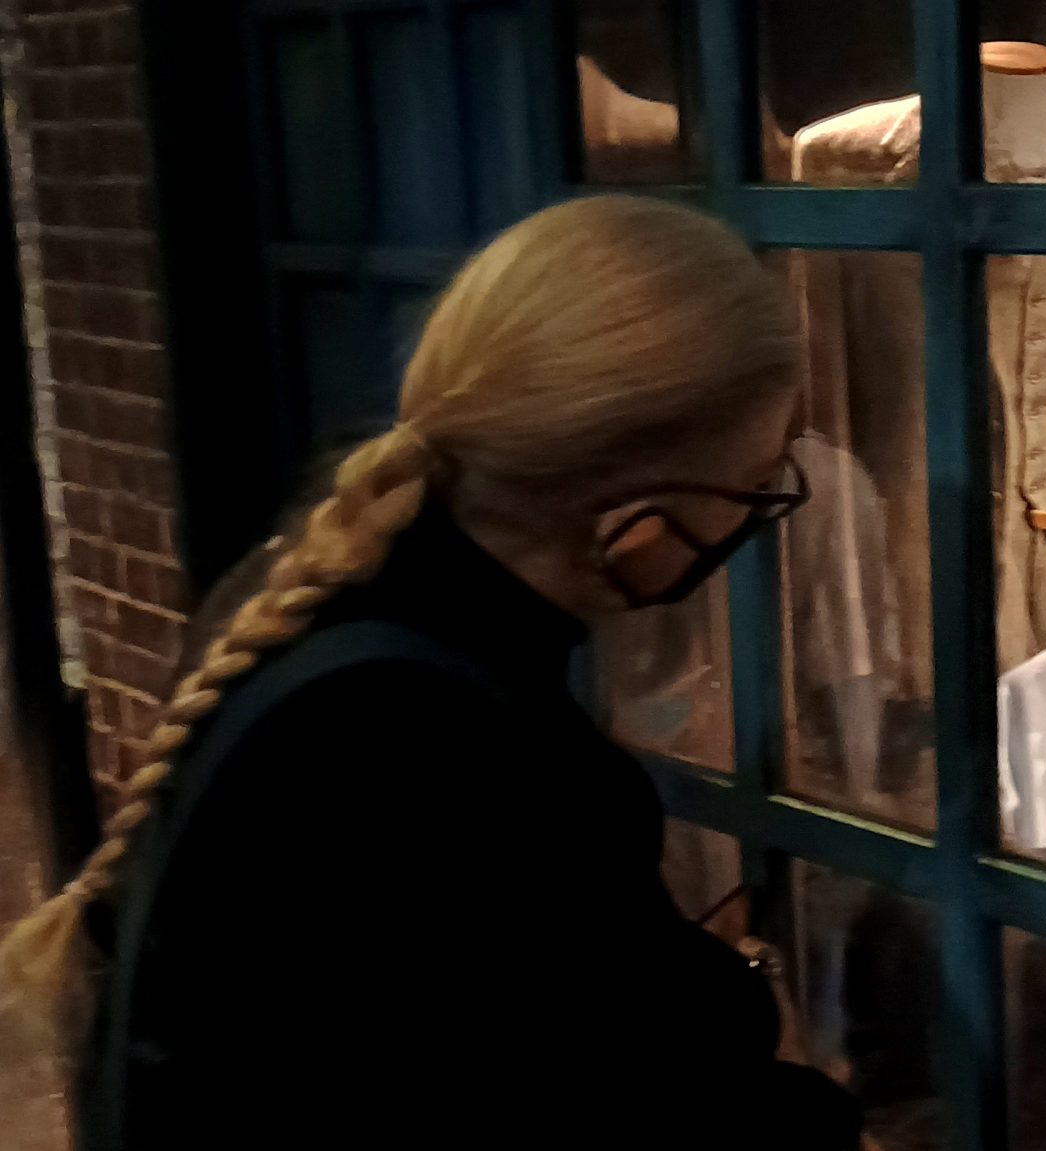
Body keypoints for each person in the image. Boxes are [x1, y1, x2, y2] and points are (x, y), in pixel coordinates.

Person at [0, 196, 863, 1149]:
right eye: (756, 484)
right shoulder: (440, 745)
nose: (754, 515)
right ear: (641, 512)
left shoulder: (315, 594)